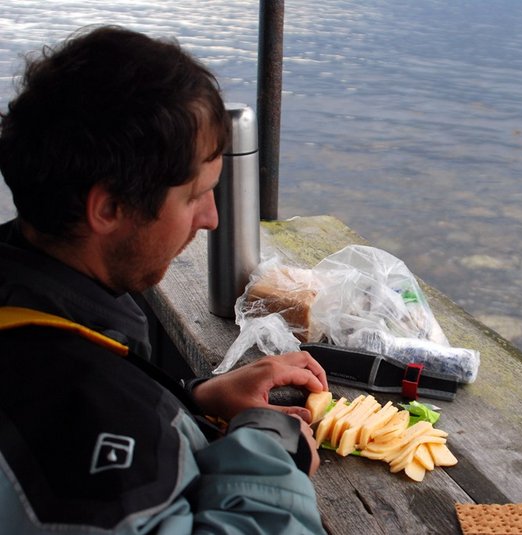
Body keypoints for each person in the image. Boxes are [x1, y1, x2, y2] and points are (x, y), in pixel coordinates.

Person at [0, 25, 329, 534]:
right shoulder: (80, 408)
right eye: (195, 195)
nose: (212, 218)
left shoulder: (31, 307)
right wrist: (271, 451)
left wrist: (186, 401)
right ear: (109, 208)